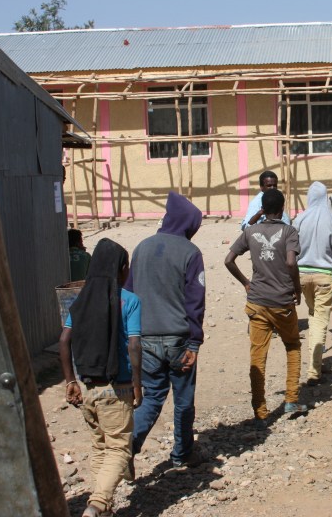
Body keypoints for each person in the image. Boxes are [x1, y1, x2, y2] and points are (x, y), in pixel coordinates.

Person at [58, 238, 142, 517]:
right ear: (120, 269)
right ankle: (97, 505)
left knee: (100, 446)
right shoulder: (129, 300)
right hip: (118, 387)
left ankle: (102, 508)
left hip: (88, 387)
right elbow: (134, 345)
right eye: (126, 266)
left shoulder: (80, 300)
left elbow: (64, 341)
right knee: (119, 449)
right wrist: (137, 384)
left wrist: (71, 381)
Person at [126, 193, 205, 468]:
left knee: (151, 397)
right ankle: (182, 454)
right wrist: (194, 342)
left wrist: (129, 336)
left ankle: (127, 448)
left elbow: (128, 294)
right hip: (178, 340)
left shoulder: (141, 248)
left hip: (144, 339)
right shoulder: (190, 252)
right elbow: (195, 301)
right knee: (183, 400)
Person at [225, 189, 307, 423]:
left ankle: (260, 410)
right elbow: (291, 262)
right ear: (282, 209)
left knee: (258, 356)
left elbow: (228, 260)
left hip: (257, 301)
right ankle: (291, 399)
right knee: (292, 345)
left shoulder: (250, 231)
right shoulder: (289, 231)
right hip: (282, 301)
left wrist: (246, 282)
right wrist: (297, 288)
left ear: (262, 209)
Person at [293, 182, 332, 385]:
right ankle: (313, 371)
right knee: (319, 320)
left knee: (314, 316)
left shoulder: (299, 219)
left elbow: (291, 250)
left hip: (301, 276)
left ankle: (316, 361)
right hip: (324, 278)